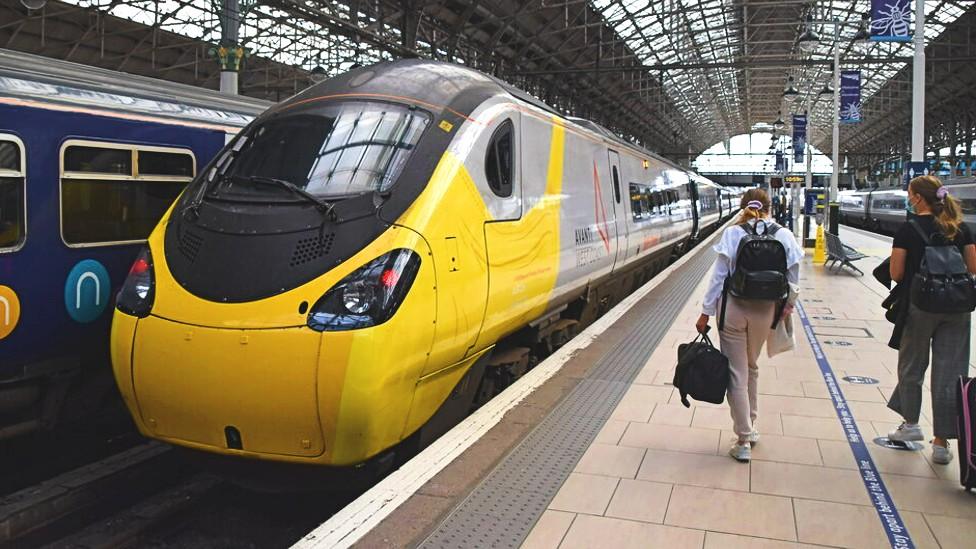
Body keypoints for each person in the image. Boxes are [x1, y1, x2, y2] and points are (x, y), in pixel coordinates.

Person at [696, 188, 804, 462]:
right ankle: (751, 426)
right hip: (765, 312)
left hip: (733, 310)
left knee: (736, 373)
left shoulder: (733, 234)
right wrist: (785, 309)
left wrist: (705, 313)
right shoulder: (784, 234)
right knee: (751, 367)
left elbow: (718, 278)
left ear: (743, 206)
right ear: (770, 208)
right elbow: (793, 279)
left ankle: (743, 438)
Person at [886, 175, 976, 465]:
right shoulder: (960, 228)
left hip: (920, 306)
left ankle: (911, 424)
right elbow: (973, 267)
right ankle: (942, 443)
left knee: (912, 364)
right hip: (958, 307)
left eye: (910, 194)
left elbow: (897, 274)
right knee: (951, 371)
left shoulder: (908, 229)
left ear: (918, 198)